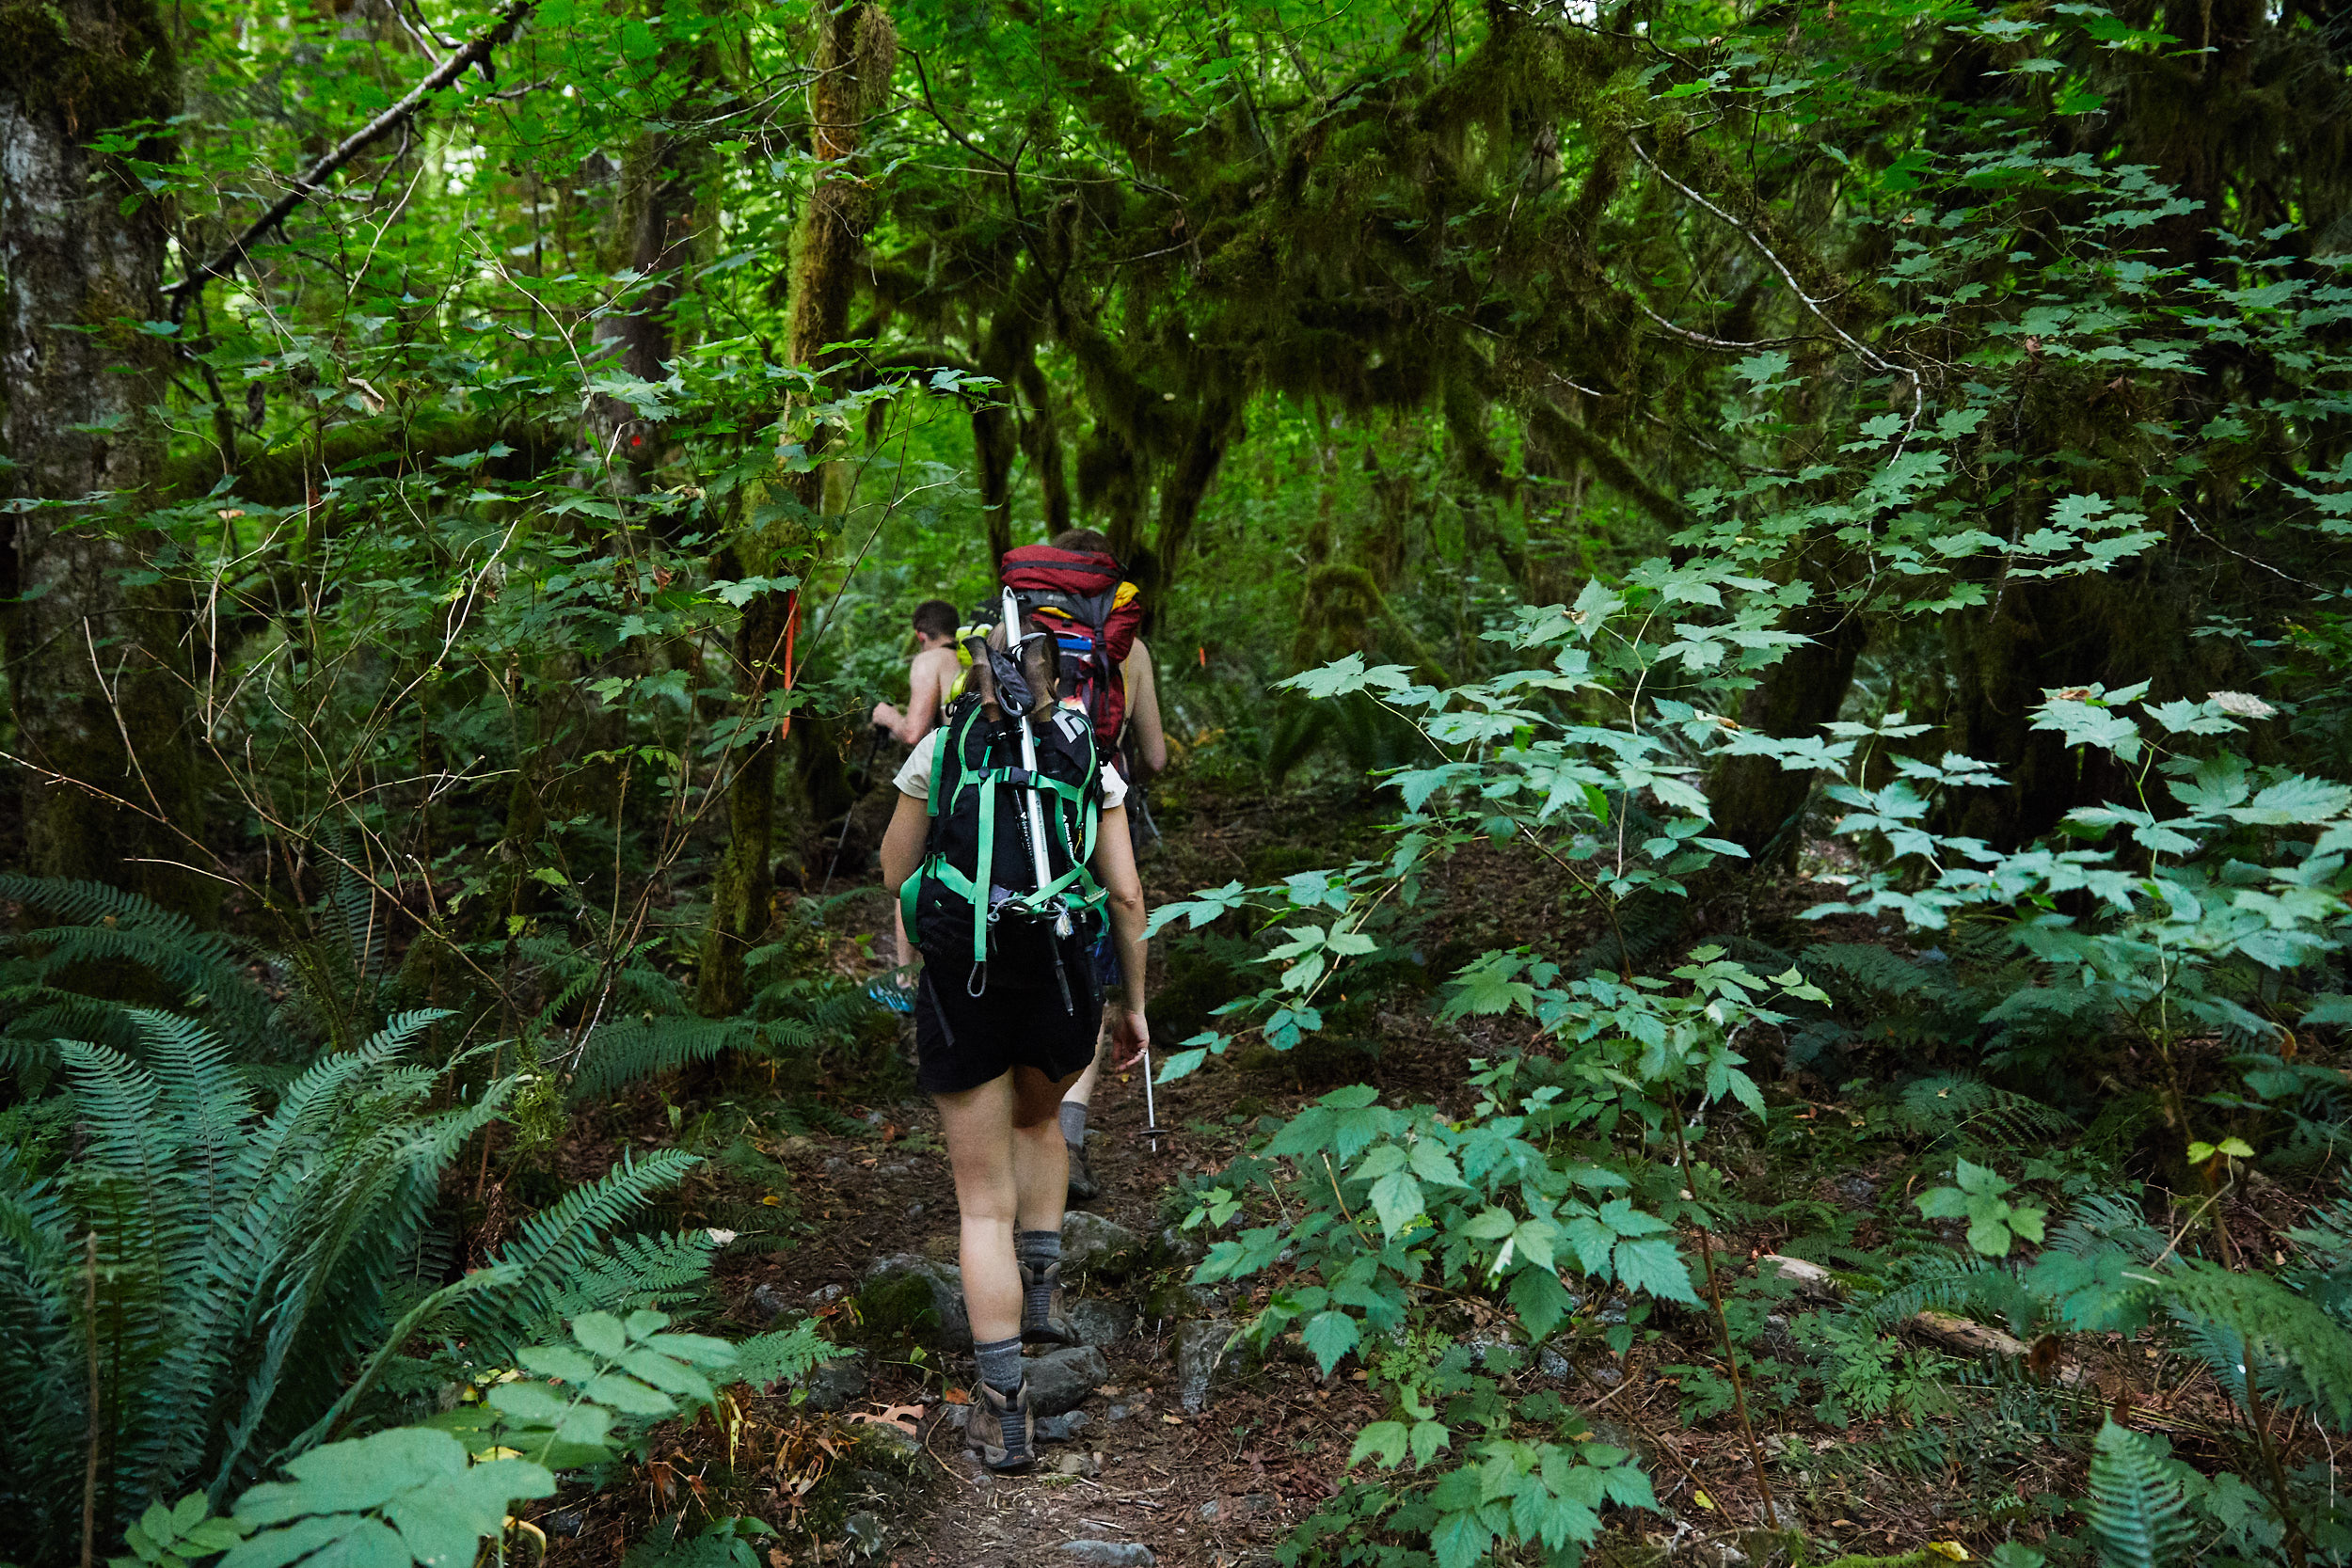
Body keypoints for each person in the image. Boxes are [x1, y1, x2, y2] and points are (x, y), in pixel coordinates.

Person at [878, 641, 1152, 1473]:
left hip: (965, 978)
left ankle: (1004, 1410)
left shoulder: (943, 747)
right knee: (1039, 1124)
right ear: (1062, 683)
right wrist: (1134, 1006)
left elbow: (897, 868)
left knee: (980, 1205)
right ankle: (1046, 1296)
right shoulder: (1088, 754)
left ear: (975, 682)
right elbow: (1128, 894)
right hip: (1064, 981)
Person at [869, 598, 961, 745]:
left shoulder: (928, 659)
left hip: (962, 760)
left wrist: (889, 717)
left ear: (920, 636)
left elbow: (913, 735)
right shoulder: (972, 655)